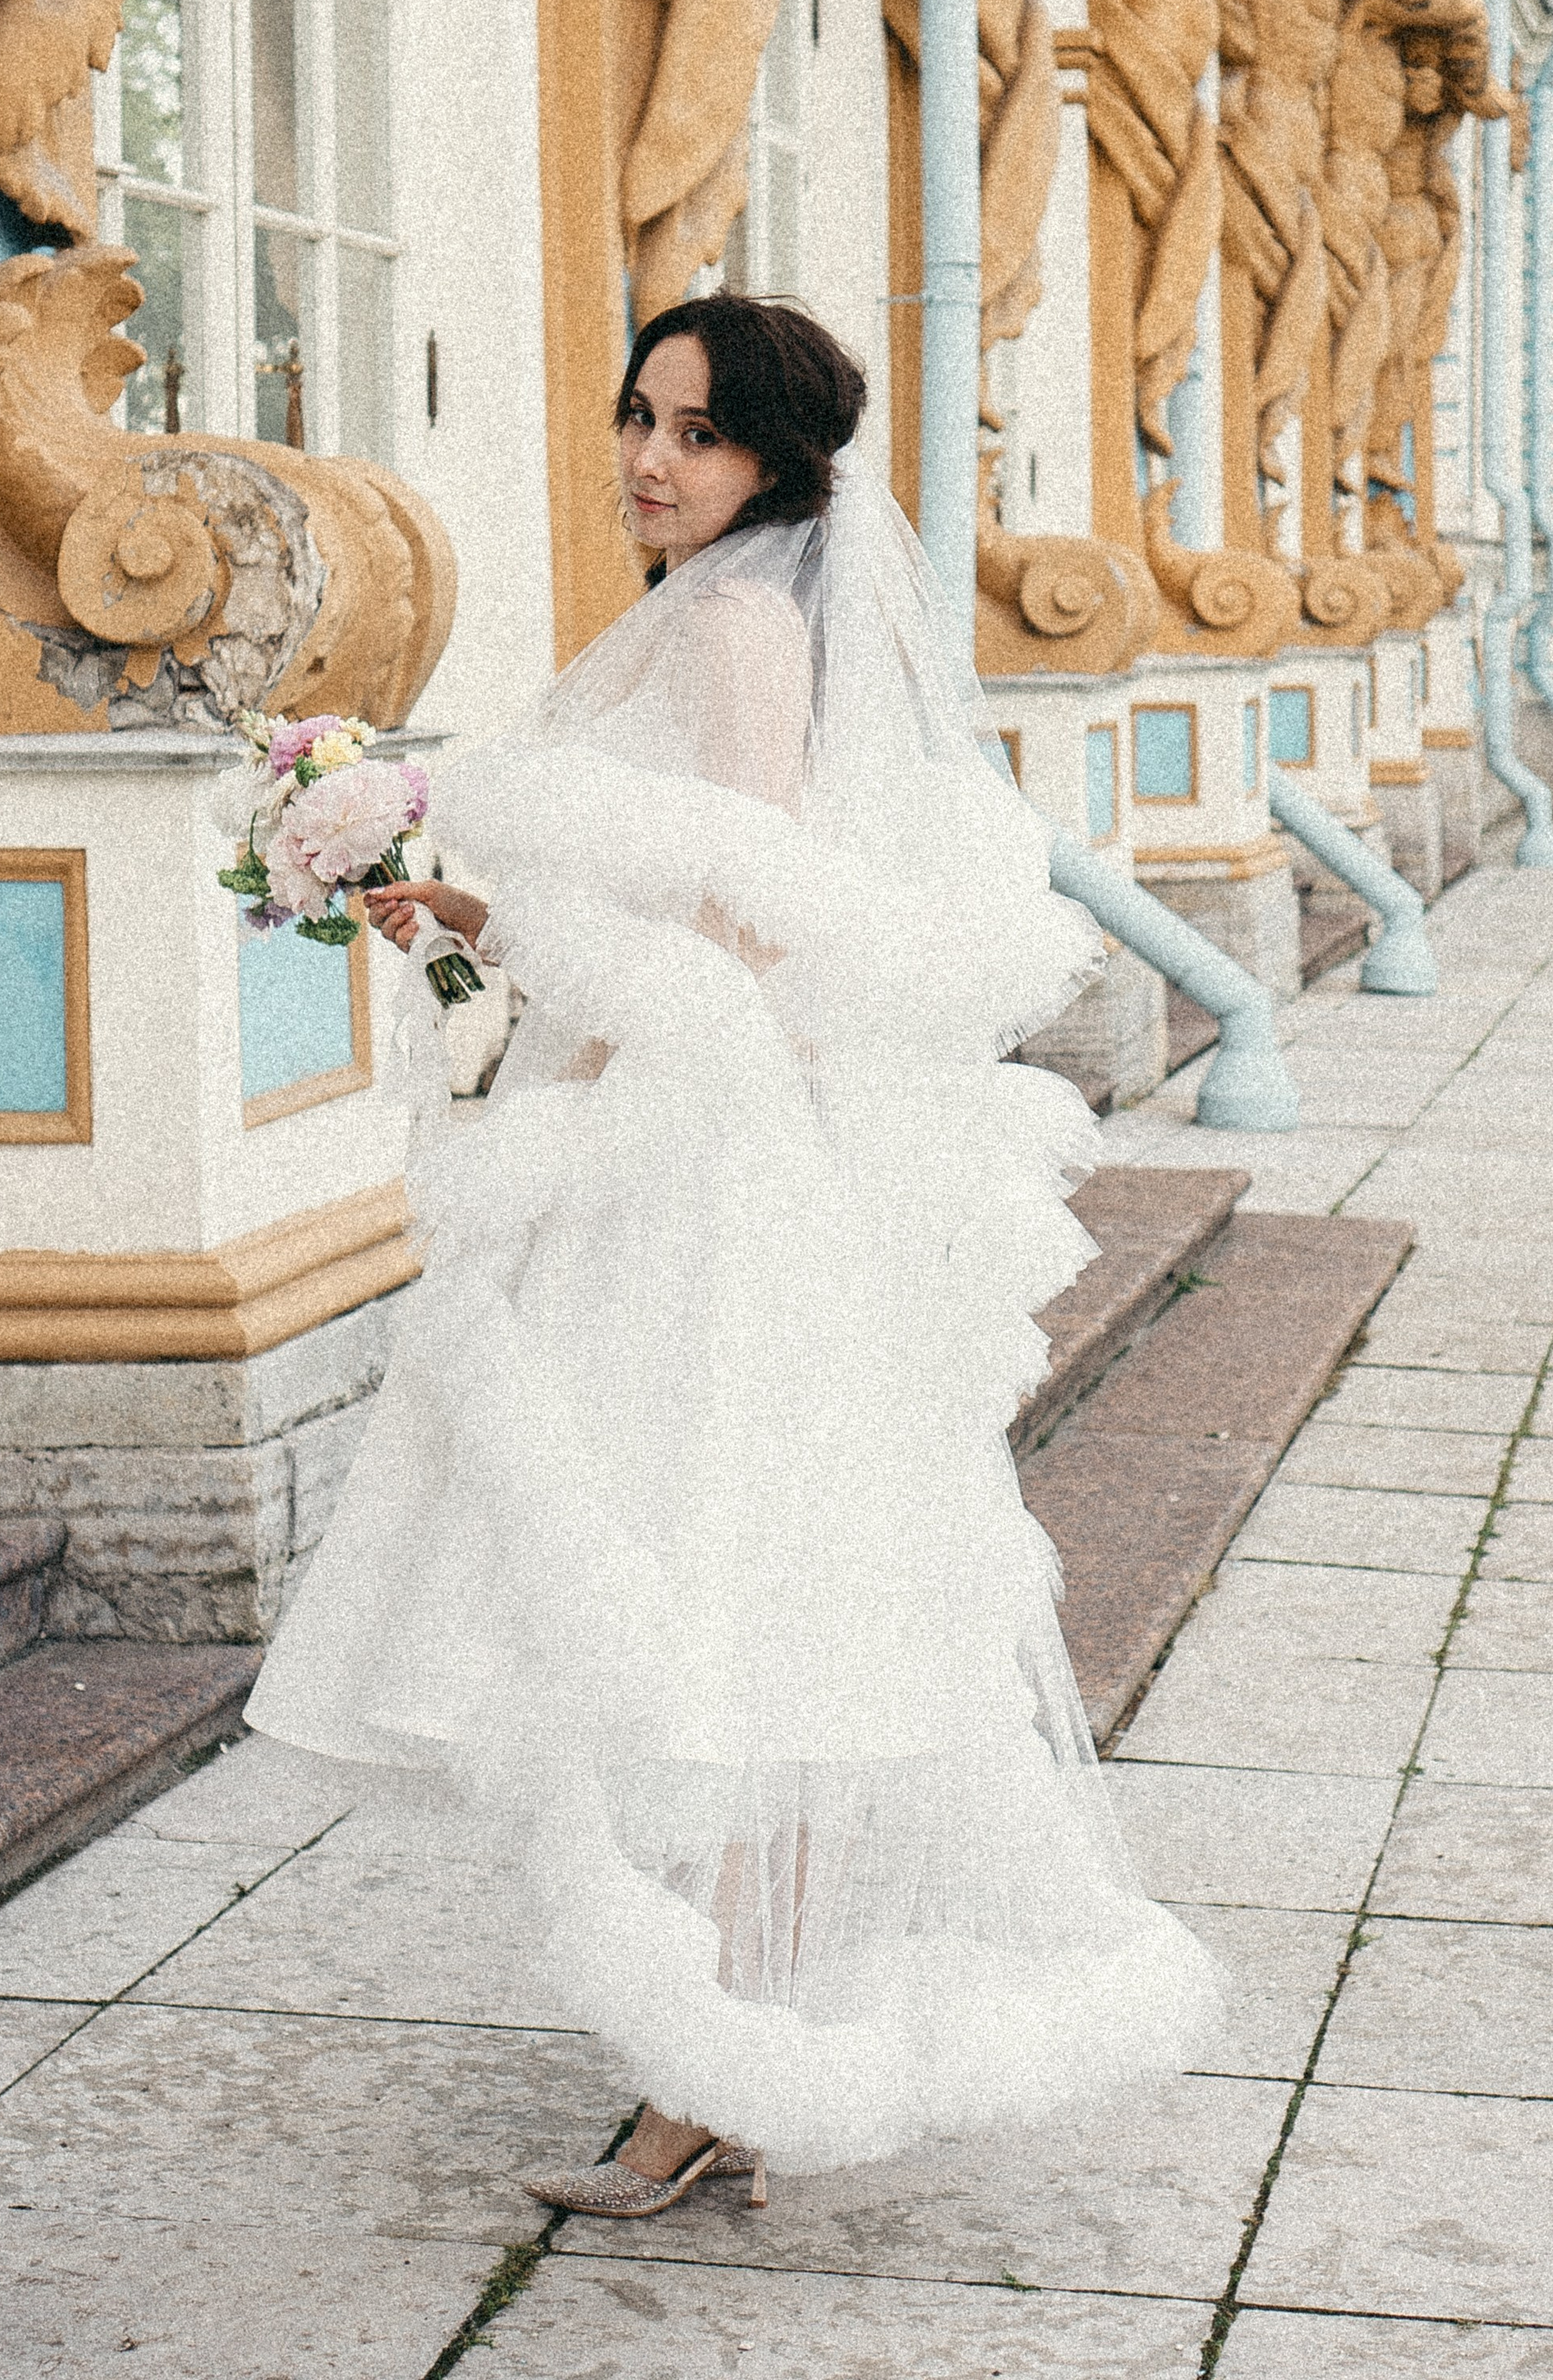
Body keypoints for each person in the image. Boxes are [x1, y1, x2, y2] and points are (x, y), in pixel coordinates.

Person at [245, 294, 1223, 2213]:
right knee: (740, 1596)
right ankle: (729, 2041)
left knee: (713, 1601)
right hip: (706, 1136)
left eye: (693, 431)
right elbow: (687, 885)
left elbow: (747, 917)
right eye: (636, 416)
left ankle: (717, 2061)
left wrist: (557, 999)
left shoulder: (730, 621)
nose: (648, 458)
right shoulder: (738, 611)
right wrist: (470, 907)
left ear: (771, 459)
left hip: (696, 1162)